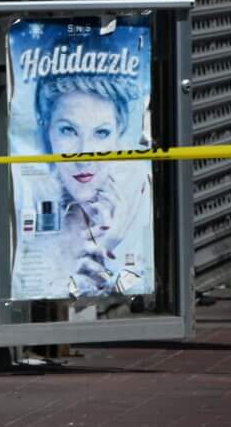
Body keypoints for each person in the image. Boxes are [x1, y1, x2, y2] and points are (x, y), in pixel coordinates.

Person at [16, 74, 154, 299]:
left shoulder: (142, 204)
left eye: (101, 133)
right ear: (47, 131)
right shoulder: (25, 204)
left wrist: (109, 247)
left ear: (118, 134)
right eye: (68, 130)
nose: (84, 156)